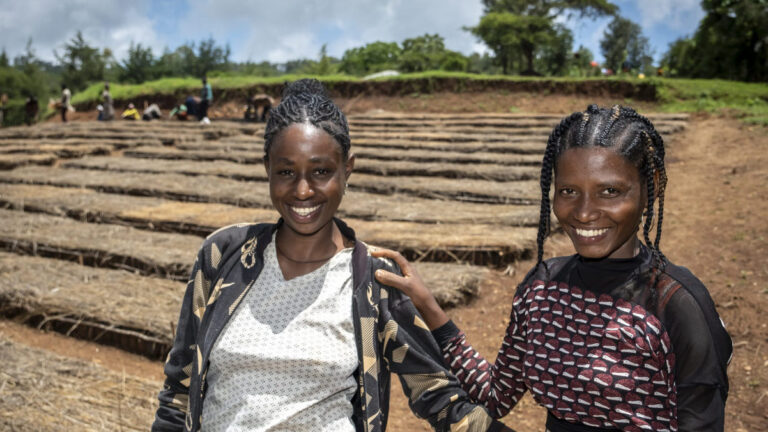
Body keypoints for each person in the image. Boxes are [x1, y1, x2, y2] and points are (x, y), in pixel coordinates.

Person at [152, 79, 510, 432]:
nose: (303, 190)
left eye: (321, 171)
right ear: (267, 170)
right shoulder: (223, 256)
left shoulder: (373, 280)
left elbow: (440, 399)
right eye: (286, 172)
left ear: (347, 168)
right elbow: (178, 392)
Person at [373, 105, 732, 432]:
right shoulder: (542, 287)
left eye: (610, 191)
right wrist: (430, 307)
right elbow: (495, 395)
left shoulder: (676, 304)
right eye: (569, 191)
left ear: (648, 188)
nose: (585, 212)